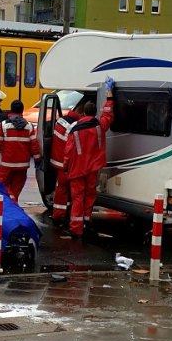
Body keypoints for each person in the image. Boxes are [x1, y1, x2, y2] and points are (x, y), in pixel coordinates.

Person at [64, 86, 115, 240]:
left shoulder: (75, 129)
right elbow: (108, 114)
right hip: (93, 168)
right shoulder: (100, 126)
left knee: (78, 198)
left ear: (84, 113)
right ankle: (87, 222)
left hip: (78, 169)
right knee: (90, 196)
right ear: (94, 113)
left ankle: (76, 229)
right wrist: (110, 95)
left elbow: (68, 151)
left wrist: (66, 167)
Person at [0, 99, 41, 204]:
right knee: (16, 188)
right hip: (22, 166)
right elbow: (34, 145)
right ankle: (14, 205)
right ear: (22, 111)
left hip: (7, 164)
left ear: (10, 110)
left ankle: (11, 204)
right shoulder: (29, 126)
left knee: (2, 185)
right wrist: (37, 160)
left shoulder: (3, 125)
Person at [49, 102, 85, 227]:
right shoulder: (74, 126)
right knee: (72, 191)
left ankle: (58, 215)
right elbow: (71, 147)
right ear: (81, 113)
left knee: (61, 190)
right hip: (67, 164)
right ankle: (67, 216)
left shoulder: (60, 121)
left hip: (57, 161)